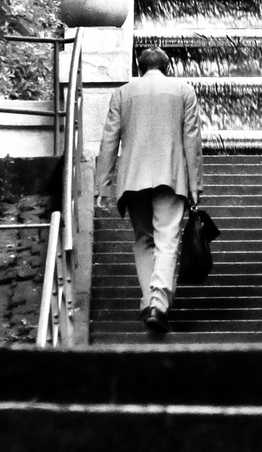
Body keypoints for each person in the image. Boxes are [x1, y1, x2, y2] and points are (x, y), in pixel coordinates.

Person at [95, 45, 203, 333]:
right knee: (167, 239)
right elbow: (192, 139)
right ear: (167, 67)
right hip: (171, 175)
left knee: (143, 239)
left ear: (139, 67)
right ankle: (157, 302)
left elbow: (109, 141)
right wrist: (195, 185)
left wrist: (103, 185)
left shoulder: (122, 93)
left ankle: (149, 301)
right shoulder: (184, 91)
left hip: (133, 179)